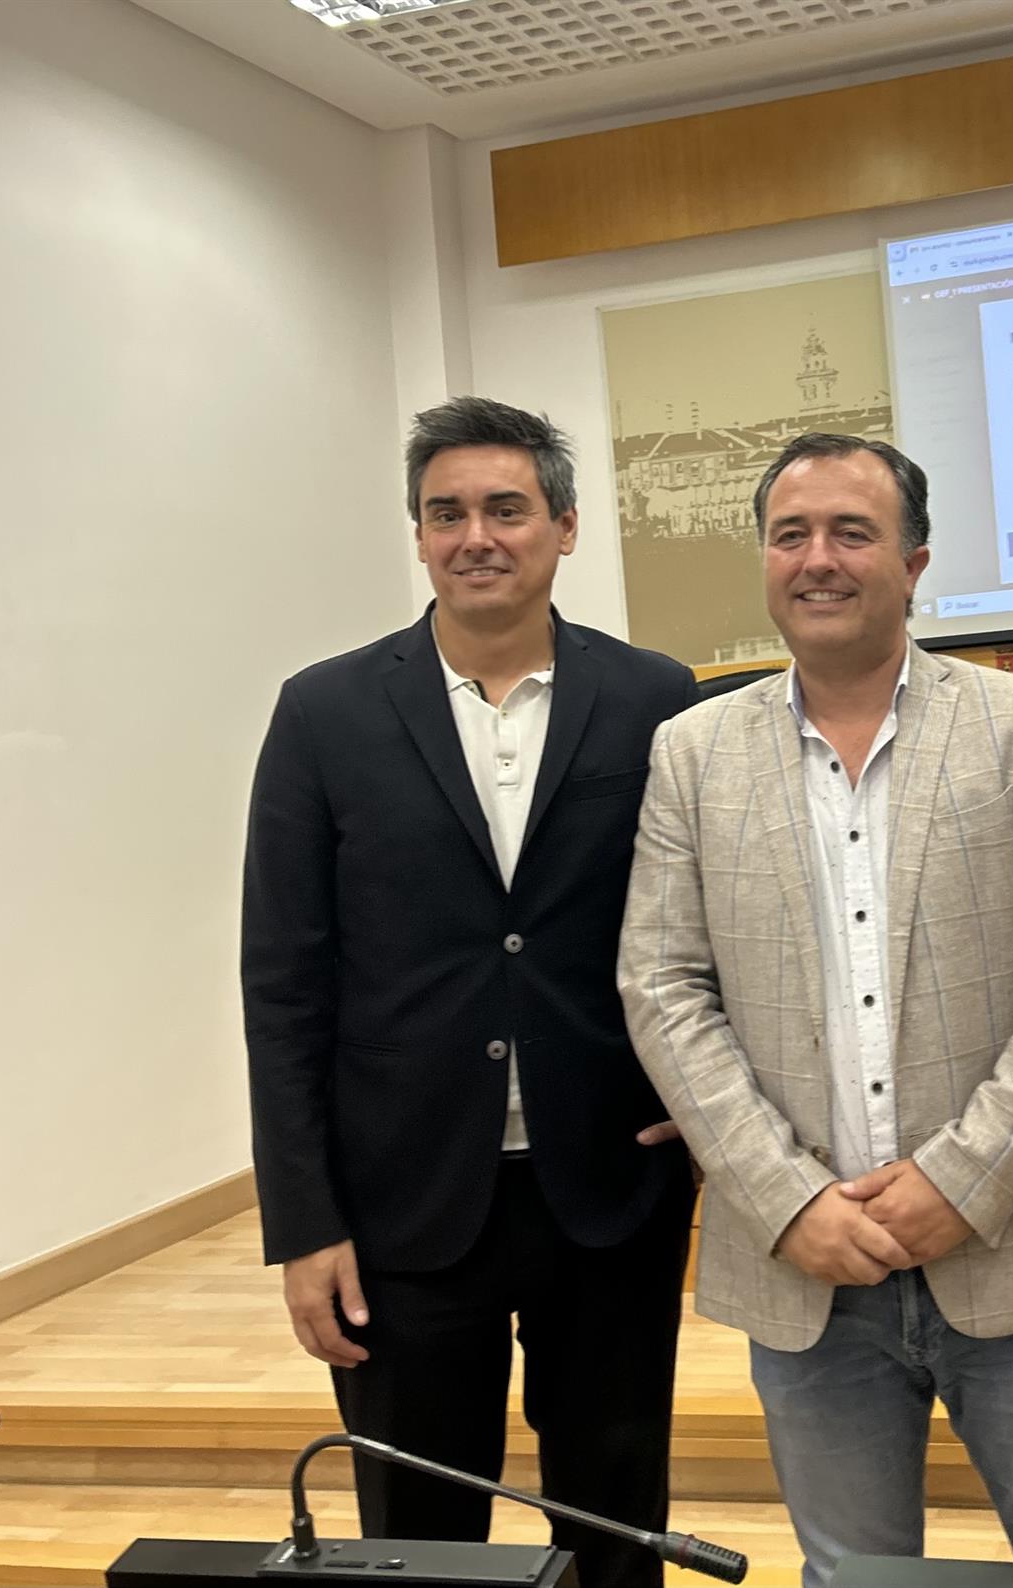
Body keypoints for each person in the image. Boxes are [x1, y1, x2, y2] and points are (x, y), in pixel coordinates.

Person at [618, 433, 1013, 1588]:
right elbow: (662, 987)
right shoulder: (691, 753)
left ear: (913, 563)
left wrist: (963, 1177)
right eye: (791, 535)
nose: (819, 558)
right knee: (852, 1577)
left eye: (851, 532)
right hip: (806, 1270)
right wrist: (785, 1196)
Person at [242, 396, 698, 1587]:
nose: (475, 536)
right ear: (419, 534)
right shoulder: (324, 711)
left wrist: (706, 1106)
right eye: (446, 514)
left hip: (609, 1183)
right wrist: (304, 1221)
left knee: (614, 1515)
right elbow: (283, 982)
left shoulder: (657, 699)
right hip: (400, 1200)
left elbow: (715, 930)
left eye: (506, 508)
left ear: (566, 526)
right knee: (417, 1535)